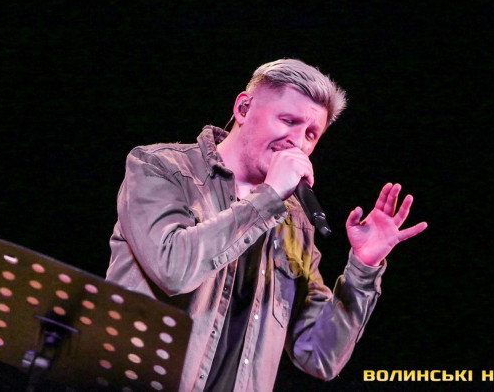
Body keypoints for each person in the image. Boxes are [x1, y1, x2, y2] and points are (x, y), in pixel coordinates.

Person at [106, 59, 427, 391]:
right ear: (244, 108)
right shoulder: (161, 167)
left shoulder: (294, 221)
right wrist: (269, 196)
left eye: (311, 134)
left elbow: (320, 355)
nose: (298, 142)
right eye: (288, 121)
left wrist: (363, 267)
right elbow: (173, 269)